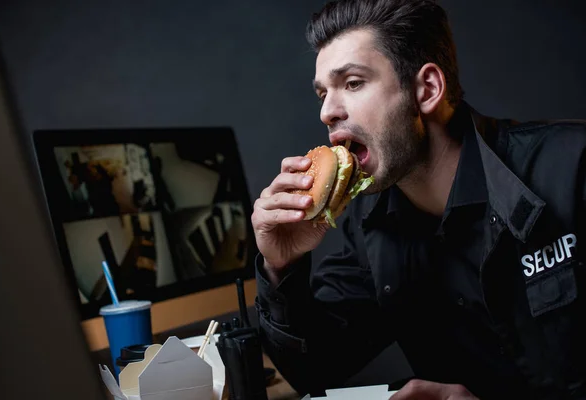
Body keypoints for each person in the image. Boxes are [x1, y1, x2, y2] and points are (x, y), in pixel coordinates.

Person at [251, 0, 586, 399]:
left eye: (353, 83)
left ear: (426, 89)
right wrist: (280, 266)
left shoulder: (572, 169)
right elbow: (316, 368)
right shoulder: (368, 222)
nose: (326, 111)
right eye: (323, 93)